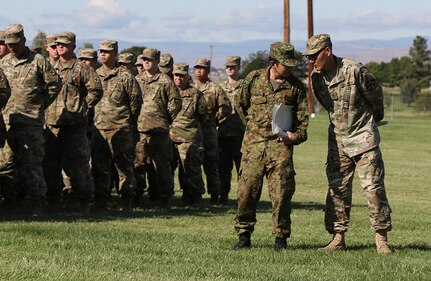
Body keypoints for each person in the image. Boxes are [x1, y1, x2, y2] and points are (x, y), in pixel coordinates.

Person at [304, 34, 392, 254]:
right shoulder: (316, 78)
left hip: (364, 139)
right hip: (338, 141)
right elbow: (329, 107)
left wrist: (372, 121)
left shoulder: (354, 70)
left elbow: (375, 96)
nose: (312, 60)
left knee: (373, 190)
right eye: (309, 56)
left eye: (315, 55)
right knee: (337, 191)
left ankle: (381, 239)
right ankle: (338, 238)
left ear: (327, 51)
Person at [233, 42, 309, 251]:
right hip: (253, 146)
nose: (291, 68)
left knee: (282, 193)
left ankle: (281, 239)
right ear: (273, 63)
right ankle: (244, 235)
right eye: (287, 64)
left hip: (280, 147)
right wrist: (253, 129)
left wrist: (294, 137)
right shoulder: (254, 79)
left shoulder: (296, 87)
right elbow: (240, 105)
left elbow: (302, 122)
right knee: (246, 191)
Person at [0, 23, 61, 216]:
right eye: (8, 44)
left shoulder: (38, 60)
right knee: (6, 164)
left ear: (24, 41)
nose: (11, 47)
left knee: (32, 163)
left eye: (15, 43)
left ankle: (36, 202)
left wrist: (40, 105)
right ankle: (10, 201)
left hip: (31, 122)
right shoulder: (4, 62)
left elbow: (54, 85)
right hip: (9, 120)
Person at [43, 32, 103, 214]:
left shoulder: (81, 68)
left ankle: (84, 201)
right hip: (52, 123)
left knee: (78, 166)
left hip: (74, 125)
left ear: (73, 46)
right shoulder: (49, 66)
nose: (60, 47)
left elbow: (96, 89)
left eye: (64, 44)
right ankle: (53, 201)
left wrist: (83, 107)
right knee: (51, 166)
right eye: (58, 44)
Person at [92, 40, 142, 212]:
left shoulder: (125, 76)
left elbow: (136, 102)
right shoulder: (95, 74)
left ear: (115, 54)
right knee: (100, 167)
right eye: (101, 51)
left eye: (107, 51)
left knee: (124, 166)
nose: (103, 54)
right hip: (98, 128)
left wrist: (126, 121)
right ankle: (102, 201)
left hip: (120, 128)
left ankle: (126, 200)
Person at [134, 48, 181, 209]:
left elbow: (175, 103)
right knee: (138, 164)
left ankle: (165, 198)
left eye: (149, 60)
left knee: (162, 166)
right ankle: (137, 196)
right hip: (139, 129)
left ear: (156, 62)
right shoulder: (136, 80)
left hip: (159, 130)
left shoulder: (165, 81)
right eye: (144, 59)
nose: (146, 62)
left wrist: (166, 119)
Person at [193, 58, 231, 205]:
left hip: (209, 133)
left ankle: (215, 195)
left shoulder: (215, 88)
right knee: (193, 165)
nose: (199, 71)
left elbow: (225, 108)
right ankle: (193, 195)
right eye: (197, 68)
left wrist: (215, 121)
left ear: (208, 70)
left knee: (211, 166)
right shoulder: (190, 87)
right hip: (193, 132)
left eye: (202, 68)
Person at [170, 63, 208, 207]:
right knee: (169, 169)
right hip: (170, 136)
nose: (178, 78)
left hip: (190, 137)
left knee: (191, 169)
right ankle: (171, 198)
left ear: (187, 76)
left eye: (181, 75)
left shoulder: (195, 93)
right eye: (176, 75)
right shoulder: (169, 91)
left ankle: (195, 199)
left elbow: (204, 115)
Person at [218, 56, 246, 205]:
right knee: (223, 168)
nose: (230, 69)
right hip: (223, 133)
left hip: (241, 134)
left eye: (233, 66)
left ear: (238, 67)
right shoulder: (220, 86)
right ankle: (223, 196)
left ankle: (243, 198)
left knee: (242, 169)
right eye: (227, 66)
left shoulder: (245, 85)